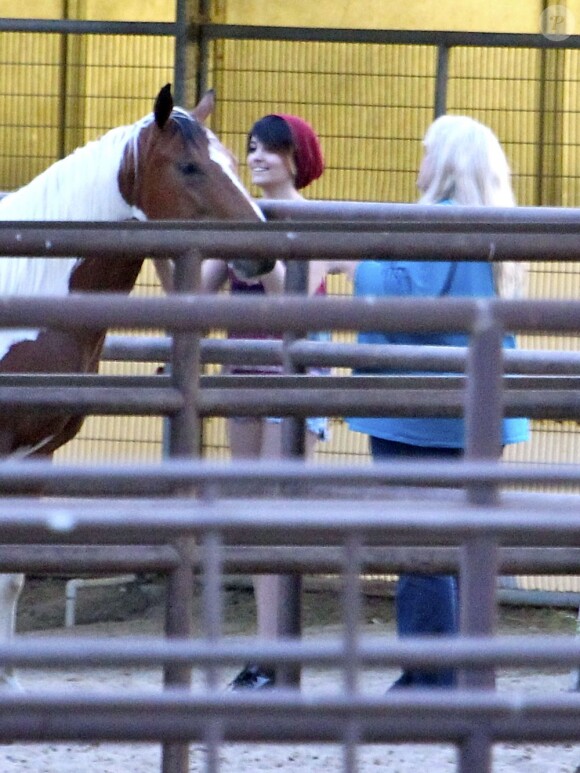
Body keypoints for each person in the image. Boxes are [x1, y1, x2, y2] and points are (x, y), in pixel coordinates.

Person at [346, 114, 529, 689]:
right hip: (475, 413)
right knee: (464, 546)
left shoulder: (439, 218)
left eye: (425, 151)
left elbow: (404, 298)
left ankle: (431, 679)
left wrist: (356, 262)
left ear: (445, 161)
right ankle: (469, 674)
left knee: (420, 548)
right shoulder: (495, 227)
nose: (419, 162)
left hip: (417, 414)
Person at [199, 112, 353, 690]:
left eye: (270, 149)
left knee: (274, 518)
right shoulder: (242, 217)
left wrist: (253, 243)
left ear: (296, 159)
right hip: (244, 379)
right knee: (252, 518)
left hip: (293, 383)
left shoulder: (310, 220)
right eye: (252, 148)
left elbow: (292, 298)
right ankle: (268, 656)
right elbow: (189, 293)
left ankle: (273, 658)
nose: (258, 157)